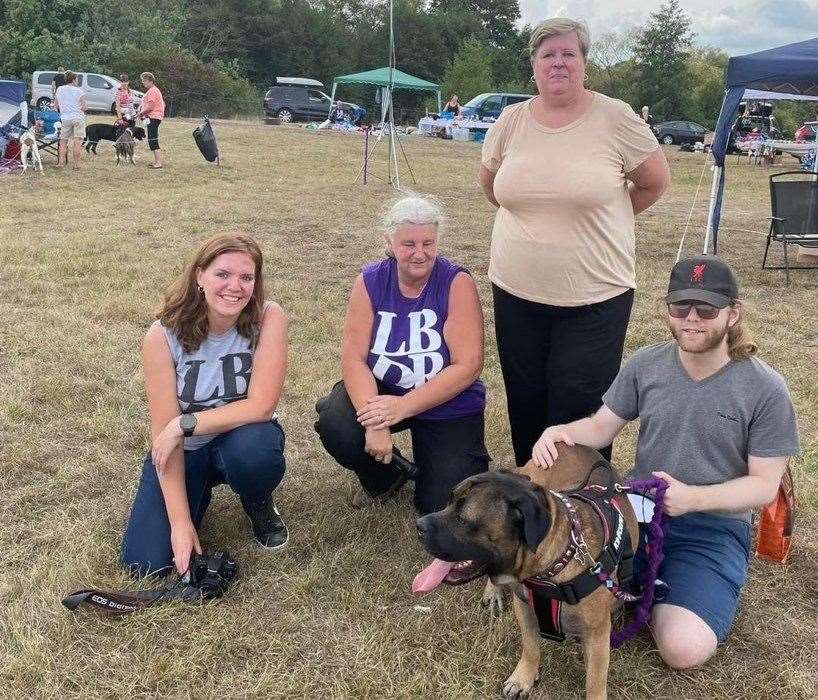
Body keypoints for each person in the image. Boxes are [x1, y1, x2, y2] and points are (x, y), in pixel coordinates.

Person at [531, 255, 799, 670]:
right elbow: (603, 427)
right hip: (634, 514)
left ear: (733, 313)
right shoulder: (647, 364)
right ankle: (645, 588)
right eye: (680, 307)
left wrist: (692, 498)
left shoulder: (764, 388)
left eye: (707, 309)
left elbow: (763, 486)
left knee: (682, 650)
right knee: (566, 620)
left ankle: (664, 592)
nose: (691, 319)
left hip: (714, 527)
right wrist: (559, 431)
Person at [477, 17, 670, 467]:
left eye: (569, 54)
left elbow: (653, 183)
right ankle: (535, 497)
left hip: (594, 297)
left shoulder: (617, 118)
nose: (558, 63)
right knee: (525, 400)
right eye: (548, 54)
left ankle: (584, 507)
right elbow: (492, 187)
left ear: (584, 62)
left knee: (578, 407)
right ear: (534, 65)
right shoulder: (511, 121)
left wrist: (603, 217)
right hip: (515, 292)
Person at [121, 234, 289, 578]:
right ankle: (195, 495)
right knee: (146, 565)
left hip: (239, 440)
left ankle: (257, 499)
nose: (235, 287)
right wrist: (180, 524)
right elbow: (164, 437)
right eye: (222, 274)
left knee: (255, 450)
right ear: (199, 276)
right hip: (187, 451)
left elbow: (261, 406)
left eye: (247, 277)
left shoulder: (268, 317)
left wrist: (184, 423)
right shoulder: (162, 335)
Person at [315, 194, 489, 514]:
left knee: (442, 505)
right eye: (409, 243)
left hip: (445, 400)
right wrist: (376, 423)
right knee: (337, 424)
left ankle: (439, 465)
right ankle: (386, 478)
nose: (420, 254)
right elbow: (354, 359)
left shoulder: (456, 282)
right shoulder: (369, 281)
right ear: (389, 241)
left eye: (429, 243)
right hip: (385, 390)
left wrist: (404, 406)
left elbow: (468, 365)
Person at [53, 70, 87, 170]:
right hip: (78, 118)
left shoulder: (59, 89)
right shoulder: (79, 91)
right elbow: (84, 107)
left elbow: (56, 105)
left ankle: (60, 163)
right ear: (74, 80)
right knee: (77, 142)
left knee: (63, 142)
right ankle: (76, 165)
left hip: (65, 118)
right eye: (77, 79)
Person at [138, 71, 165, 169]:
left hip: (153, 117)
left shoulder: (153, 91)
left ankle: (158, 163)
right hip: (153, 117)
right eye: (142, 81)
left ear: (150, 81)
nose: (143, 83)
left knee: (153, 139)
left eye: (144, 81)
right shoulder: (153, 90)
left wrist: (141, 113)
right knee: (152, 139)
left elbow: (151, 106)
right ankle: (156, 161)